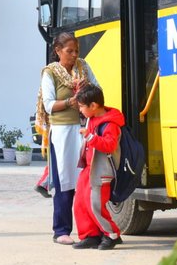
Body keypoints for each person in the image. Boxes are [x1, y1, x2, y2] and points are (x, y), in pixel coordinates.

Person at [40, 30, 96, 244]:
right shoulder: (50, 72)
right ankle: (61, 230)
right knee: (64, 181)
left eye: (76, 51)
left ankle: (90, 230)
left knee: (86, 180)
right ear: (58, 51)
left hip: (85, 128)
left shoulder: (84, 67)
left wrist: (86, 90)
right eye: (69, 51)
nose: (74, 55)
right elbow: (49, 105)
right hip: (62, 132)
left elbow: (98, 90)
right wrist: (70, 102)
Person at [73, 84, 125, 250]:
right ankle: (91, 235)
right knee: (81, 203)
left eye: (82, 106)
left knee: (95, 205)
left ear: (93, 105)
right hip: (88, 169)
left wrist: (90, 137)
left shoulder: (110, 124)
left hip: (101, 172)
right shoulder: (92, 118)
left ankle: (112, 234)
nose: (80, 109)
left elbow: (110, 145)